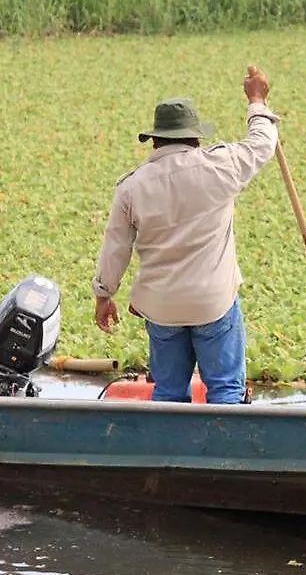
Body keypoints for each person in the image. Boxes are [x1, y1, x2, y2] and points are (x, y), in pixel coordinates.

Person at [91, 65, 278, 404]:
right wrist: (256, 101)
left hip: (161, 307)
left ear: (155, 140)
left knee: (168, 393)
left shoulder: (131, 187)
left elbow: (116, 246)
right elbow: (262, 143)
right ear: (195, 137)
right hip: (213, 302)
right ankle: (222, 455)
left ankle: (169, 455)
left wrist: (104, 294)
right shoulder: (222, 165)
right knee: (225, 389)